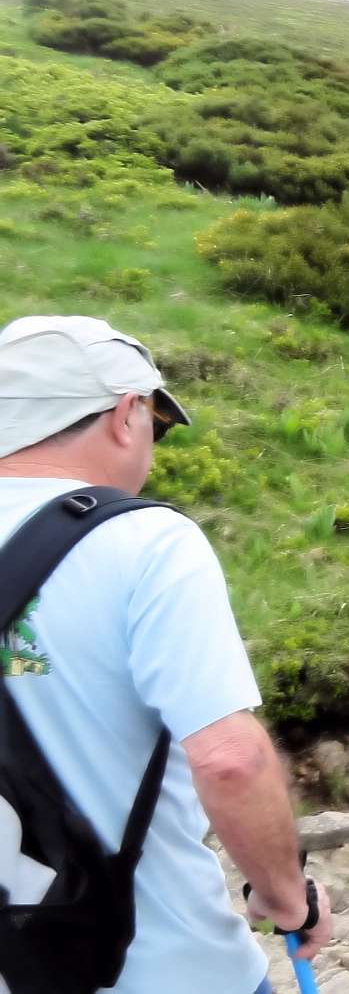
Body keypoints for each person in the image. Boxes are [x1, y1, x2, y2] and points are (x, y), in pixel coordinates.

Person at [0, 316, 329, 994]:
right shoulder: (146, 542)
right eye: (157, 423)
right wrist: (287, 897)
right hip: (161, 969)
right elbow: (230, 759)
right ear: (126, 414)